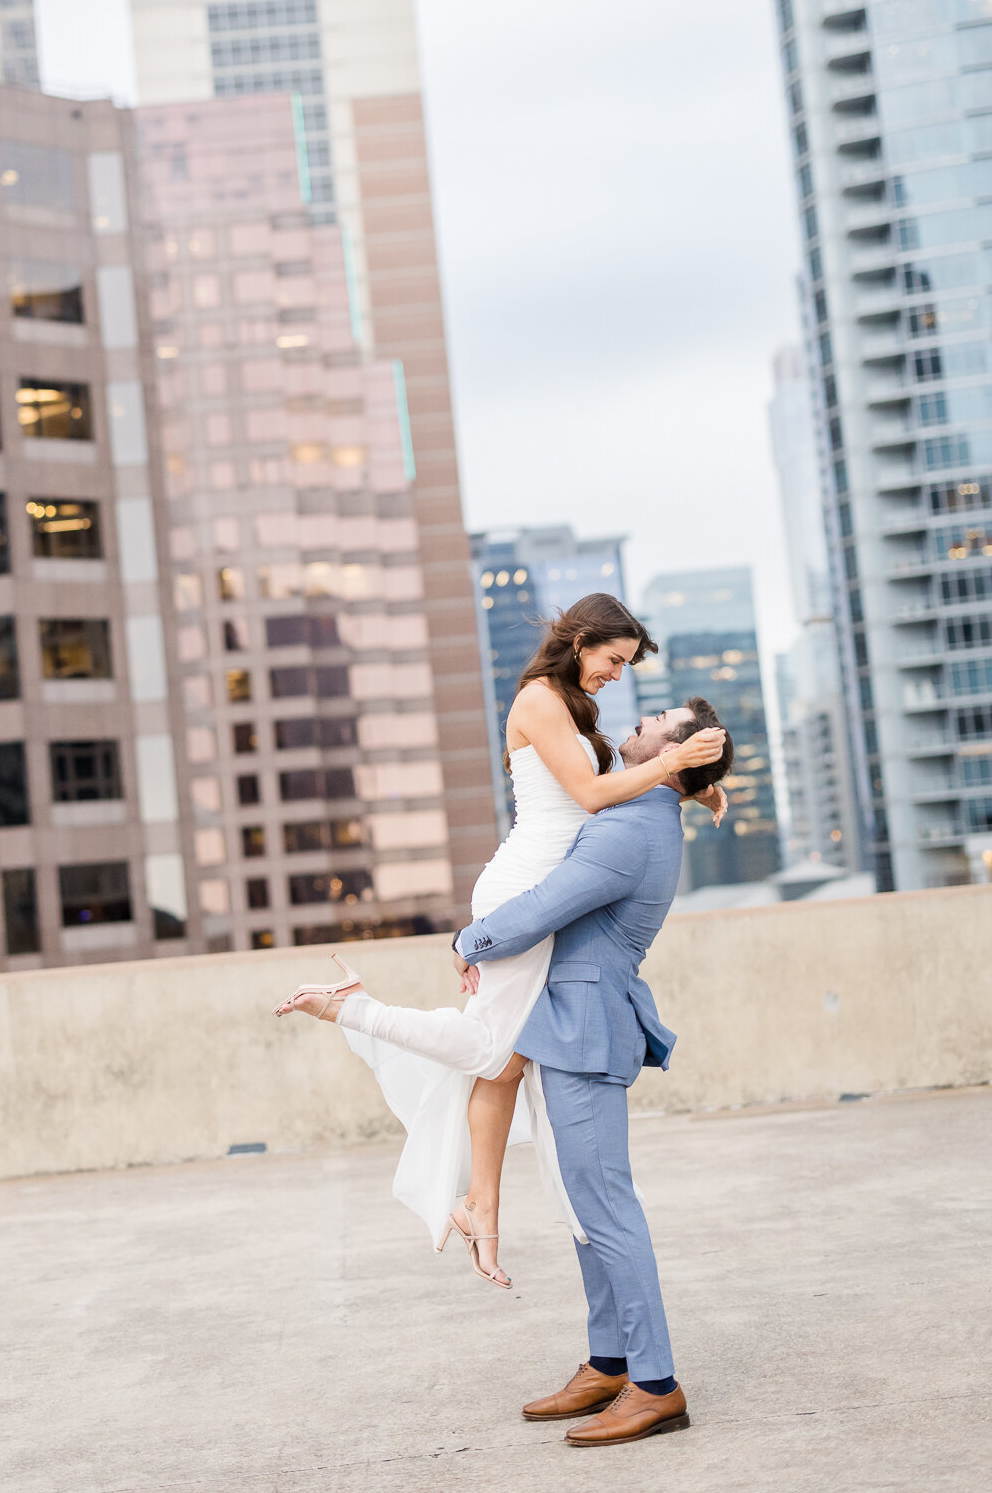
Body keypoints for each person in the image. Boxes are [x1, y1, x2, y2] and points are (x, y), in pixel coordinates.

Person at [273, 592, 730, 1285]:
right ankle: (353, 1009)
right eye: (613, 660)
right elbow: (590, 797)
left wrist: (691, 788)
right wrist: (672, 766)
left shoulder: (573, 706)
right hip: (524, 892)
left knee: (507, 1064)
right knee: (491, 1048)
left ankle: (480, 1209)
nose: (616, 675)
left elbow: (600, 784)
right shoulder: (541, 700)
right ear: (580, 641)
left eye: (626, 665)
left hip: (544, 889)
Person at [449, 701, 728, 1445]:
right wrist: (702, 785)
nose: (638, 719)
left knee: (604, 1206)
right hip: (568, 1020)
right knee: (585, 1208)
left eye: (658, 719)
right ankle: (610, 1363)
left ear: (673, 750)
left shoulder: (631, 827)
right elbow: (602, 779)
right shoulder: (644, 808)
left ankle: (656, 1385)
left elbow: (548, 903)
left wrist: (470, 939)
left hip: (585, 1025)